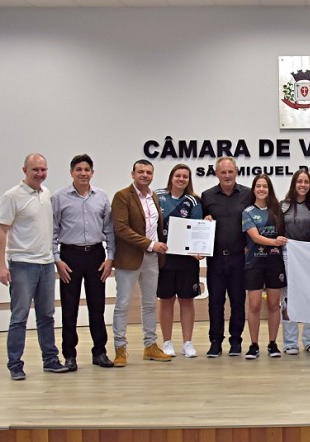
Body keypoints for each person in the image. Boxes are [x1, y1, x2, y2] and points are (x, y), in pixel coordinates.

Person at [0, 153, 69, 380]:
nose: (40, 174)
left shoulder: (46, 194)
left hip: (46, 265)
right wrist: (1, 265)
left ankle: (50, 360)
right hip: (22, 265)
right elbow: (1, 231)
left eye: (43, 170)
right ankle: (15, 364)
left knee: (47, 315)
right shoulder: (12, 196)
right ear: (24, 170)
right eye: (35, 170)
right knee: (19, 317)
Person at [52, 154, 116, 371]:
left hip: (96, 256)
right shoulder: (59, 197)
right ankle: (69, 356)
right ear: (71, 172)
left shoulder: (101, 196)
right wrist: (57, 260)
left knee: (97, 307)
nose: (83, 173)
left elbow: (109, 229)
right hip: (70, 257)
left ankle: (100, 352)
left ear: (92, 172)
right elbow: (53, 230)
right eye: (78, 169)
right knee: (69, 309)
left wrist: (110, 258)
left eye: (86, 169)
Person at [110, 159, 170, 366]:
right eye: (141, 172)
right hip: (129, 258)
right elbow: (122, 229)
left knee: (150, 304)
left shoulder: (153, 196)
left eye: (149, 172)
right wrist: (151, 244)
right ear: (133, 174)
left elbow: (155, 226)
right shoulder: (122, 196)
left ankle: (150, 346)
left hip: (152, 259)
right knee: (123, 304)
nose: (145, 175)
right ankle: (120, 349)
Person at [200, 157, 254, 357]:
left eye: (230, 171)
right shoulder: (206, 196)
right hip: (215, 259)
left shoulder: (248, 195)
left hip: (240, 257)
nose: (227, 175)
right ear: (216, 174)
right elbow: (200, 225)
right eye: (223, 172)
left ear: (237, 172)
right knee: (215, 301)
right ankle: (215, 341)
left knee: (238, 300)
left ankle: (236, 341)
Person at [155, 164, 203, 359]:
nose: (181, 179)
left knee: (186, 300)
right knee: (166, 300)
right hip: (164, 257)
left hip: (187, 261)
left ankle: (187, 343)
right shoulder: (157, 196)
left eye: (185, 176)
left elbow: (198, 228)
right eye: (178, 175)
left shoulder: (194, 201)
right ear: (171, 177)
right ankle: (166, 342)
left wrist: (198, 250)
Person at [241, 174, 287, 360]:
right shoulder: (248, 212)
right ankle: (253, 345)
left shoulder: (277, 210)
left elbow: (284, 234)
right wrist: (275, 241)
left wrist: (280, 242)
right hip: (254, 263)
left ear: (269, 190)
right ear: (254, 189)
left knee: (274, 305)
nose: (261, 189)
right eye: (258, 186)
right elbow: (255, 237)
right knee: (254, 305)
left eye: (265, 186)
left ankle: (273, 343)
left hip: (274, 263)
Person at [280, 169, 310, 355]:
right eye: (299, 181)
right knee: (288, 299)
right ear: (294, 184)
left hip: (309, 256)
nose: (303, 185)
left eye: (306, 182)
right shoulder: (283, 206)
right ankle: (290, 343)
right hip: (288, 255)